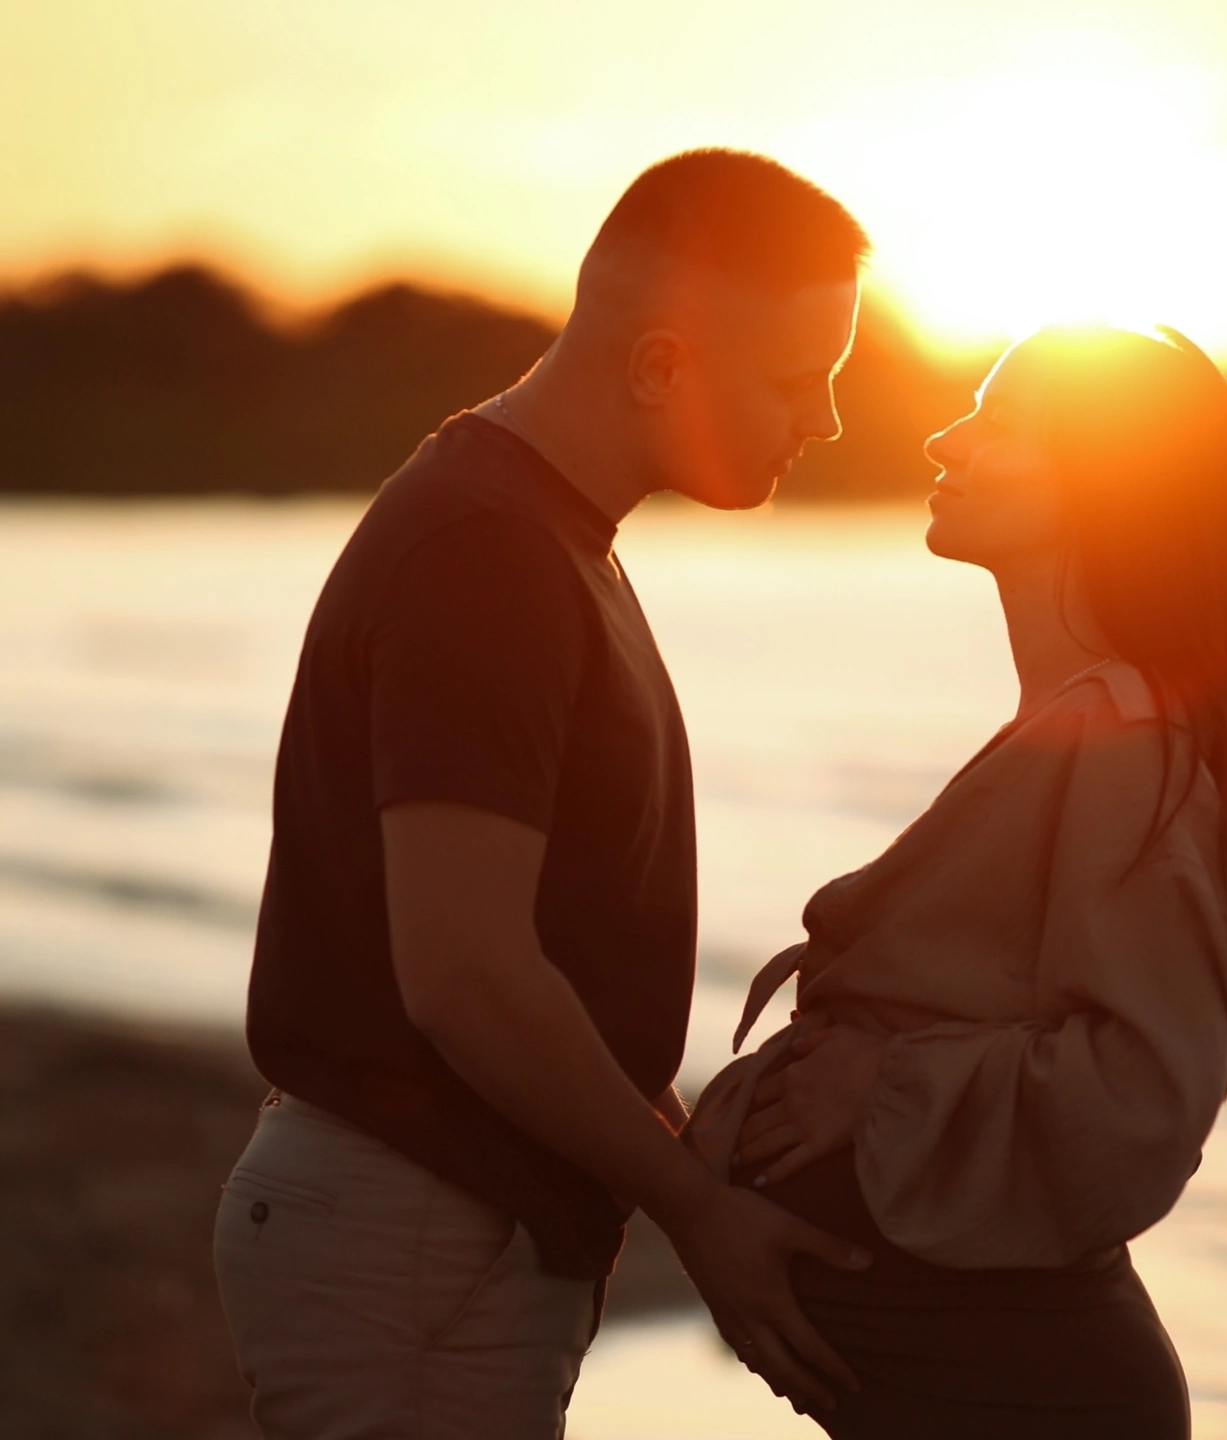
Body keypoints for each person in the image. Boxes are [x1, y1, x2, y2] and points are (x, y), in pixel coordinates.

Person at [213, 149, 876, 1440]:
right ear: (660, 367)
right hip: (408, 1236)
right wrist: (695, 1212)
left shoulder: (540, 535)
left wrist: (700, 1158)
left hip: (422, 1235)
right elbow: (466, 977)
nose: (829, 421)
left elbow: (546, 962)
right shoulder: (490, 557)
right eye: (803, 380)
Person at [687, 323, 1227, 1438]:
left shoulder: (1130, 752)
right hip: (964, 1377)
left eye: (996, 421)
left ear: (1102, 483)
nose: (943, 438)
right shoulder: (1073, 736)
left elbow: (1143, 1097)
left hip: (1032, 1392)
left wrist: (887, 1084)